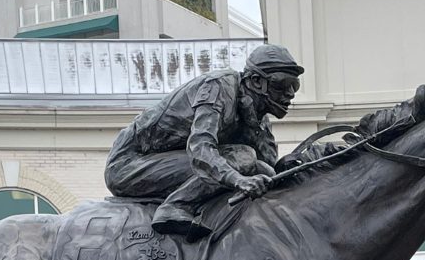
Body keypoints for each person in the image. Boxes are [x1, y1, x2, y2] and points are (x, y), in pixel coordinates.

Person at [104, 43, 304, 240]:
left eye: (295, 86)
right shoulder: (218, 86)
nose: (290, 94)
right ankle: (175, 206)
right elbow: (200, 148)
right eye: (282, 84)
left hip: (170, 162)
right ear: (255, 81)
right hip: (130, 165)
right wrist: (238, 180)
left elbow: (266, 169)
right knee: (244, 156)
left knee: (261, 169)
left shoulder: (259, 116)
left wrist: (285, 167)